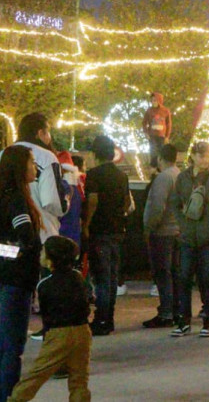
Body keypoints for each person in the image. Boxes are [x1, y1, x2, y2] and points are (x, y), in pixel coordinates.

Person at [0, 145, 44, 402]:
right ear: (20, 167)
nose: (35, 168)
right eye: (31, 162)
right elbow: (26, 238)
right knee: (11, 348)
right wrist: (27, 255)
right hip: (16, 280)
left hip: (4, 277)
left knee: (4, 347)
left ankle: (1, 396)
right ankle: (7, 397)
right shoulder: (17, 199)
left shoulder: (1, 197)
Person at [7, 236, 92, 402]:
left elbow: (47, 314)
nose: (40, 255)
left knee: (37, 375)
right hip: (83, 331)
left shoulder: (44, 284)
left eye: (43, 252)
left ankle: (16, 399)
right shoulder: (78, 277)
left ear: (51, 261)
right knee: (79, 379)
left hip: (58, 334)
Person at [168, 142, 209, 338]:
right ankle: (184, 320)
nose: (205, 159)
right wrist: (182, 224)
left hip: (207, 236)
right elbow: (175, 203)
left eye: (207, 155)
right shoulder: (183, 178)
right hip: (187, 236)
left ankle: (207, 319)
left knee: (207, 278)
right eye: (201, 156)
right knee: (184, 277)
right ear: (192, 156)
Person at [0, 113, 68, 242]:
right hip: (40, 235)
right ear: (40, 132)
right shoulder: (47, 157)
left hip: (3, 237)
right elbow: (52, 201)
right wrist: (67, 200)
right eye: (48, 132)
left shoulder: (0, 156)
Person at [82, 135, 131, 336]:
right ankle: (108, 318)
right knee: (111, 276)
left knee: (101, 277)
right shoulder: (122, 176)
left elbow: (92, 200)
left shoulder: (94, 174)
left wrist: (86, 224)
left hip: (100, 230)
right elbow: (127, 202)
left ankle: (101, 319)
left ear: (95, 154)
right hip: (117, 230)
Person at [142, 144, 180, 329]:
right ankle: (176, 310)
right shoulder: (180, 175)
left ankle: (166, 312)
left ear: (159, 158)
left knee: (162, 273)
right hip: (178, 230)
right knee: (175, 273)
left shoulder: (163, 178)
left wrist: (149, 227)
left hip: (163, 231)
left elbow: (157, 206)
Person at [141, 92, 172, 171]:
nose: (153, 102)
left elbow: (168, 124)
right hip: (152, 136)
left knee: (162, 152)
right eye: (152, 100)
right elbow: (144, 122)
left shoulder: (165, 111)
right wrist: (146, 133)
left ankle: (161, 169)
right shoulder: (149, 111)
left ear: (159, 100)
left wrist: (167, 136)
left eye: (155, 100)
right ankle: (153, 170)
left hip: (162, 136)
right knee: (153, 152)